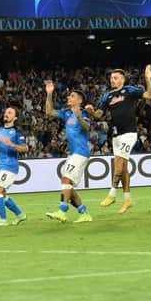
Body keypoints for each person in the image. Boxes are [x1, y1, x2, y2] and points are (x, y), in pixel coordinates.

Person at [85, 66, 151, 214]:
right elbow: (99, 115)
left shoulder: (129, 90)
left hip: (129, 133)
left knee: (119, 163)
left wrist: (148, 79)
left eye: (115, 78)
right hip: (116, 135)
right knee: (123, 169)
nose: (112, 80)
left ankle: (112, 194)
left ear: (122, 79)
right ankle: (128, 200)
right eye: (111, 78)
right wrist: (91, 111)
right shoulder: (107, 96)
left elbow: (150, 95)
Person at [44, 80, 93, 223]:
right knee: (68, 186)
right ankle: (84, 213)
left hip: (81, 152)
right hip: (72, 153)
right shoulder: (66, 113)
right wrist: (49, 94)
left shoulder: (83, 113)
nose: (68, 98)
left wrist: (78, 115)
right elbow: (49, 112)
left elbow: (87, 128)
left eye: (71, 96)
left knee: (66, 179)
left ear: (79, 100)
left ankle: (62, 211)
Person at [0, 107, 28, 227]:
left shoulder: (17, 132)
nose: (6, 114)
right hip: (1, 165)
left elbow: (25, 148)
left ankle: (3, 220)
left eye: (10, 113)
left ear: (14, 118)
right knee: (2, 193)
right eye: (5, 112)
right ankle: (20, 215)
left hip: (10, 166)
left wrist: (12, 144)